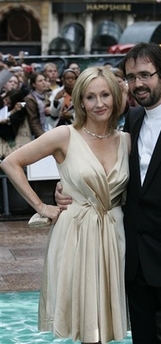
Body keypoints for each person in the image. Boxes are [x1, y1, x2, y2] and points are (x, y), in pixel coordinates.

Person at [55, 42, 161, 343]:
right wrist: (68, 188)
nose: (138, 84)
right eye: (131, 77)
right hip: (134, 259)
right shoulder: (132, 119)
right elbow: (116, 180)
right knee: (144, 338)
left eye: (145, 75)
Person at [0, 66, 131, 344]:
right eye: (90, 97)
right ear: (80, 101)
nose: (99, 104)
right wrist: (42, 206)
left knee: (108, 323)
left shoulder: (126, 141)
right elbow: (11, 163)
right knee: (87, 326)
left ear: (116, 96)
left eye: (105, 94)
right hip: (76, 235)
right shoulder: (65, 135)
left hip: (115, 234)